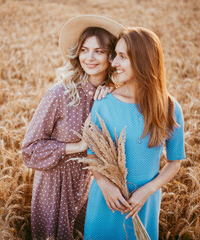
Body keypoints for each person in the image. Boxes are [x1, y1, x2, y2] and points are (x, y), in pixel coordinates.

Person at [21, 15, 123, 240]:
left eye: (99, 51)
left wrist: (111, 94)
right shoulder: (59, 95)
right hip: (54, 190)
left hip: (91, 190)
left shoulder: (113, 98)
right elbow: (29, 151)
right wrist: (79, 145)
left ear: (111, 56)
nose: (90, 57)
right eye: (85, 50)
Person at [84, 27, 186, 240]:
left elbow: (174, 162)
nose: (114, 63)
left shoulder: (169, 107)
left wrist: (147, 191)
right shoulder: (104, 102)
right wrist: (104, 184)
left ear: (142, 60)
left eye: (122, 57)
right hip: (106, 201)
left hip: (143, 204)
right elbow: (92, 155)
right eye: (115, 56)